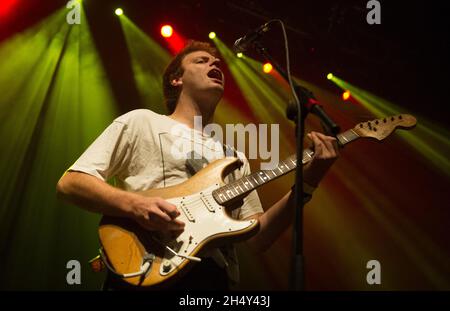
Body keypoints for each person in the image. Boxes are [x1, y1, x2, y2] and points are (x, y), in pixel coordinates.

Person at [56, 41, 339, 290]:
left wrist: (309, 182)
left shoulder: (233, 156)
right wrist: (135, 206)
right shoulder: (142, 122)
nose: (214, 63)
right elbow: (71, 183)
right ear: (176, 79)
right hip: (145, 265)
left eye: (216, 62)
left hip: (210, 281)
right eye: (201, 61)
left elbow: (258, 238)